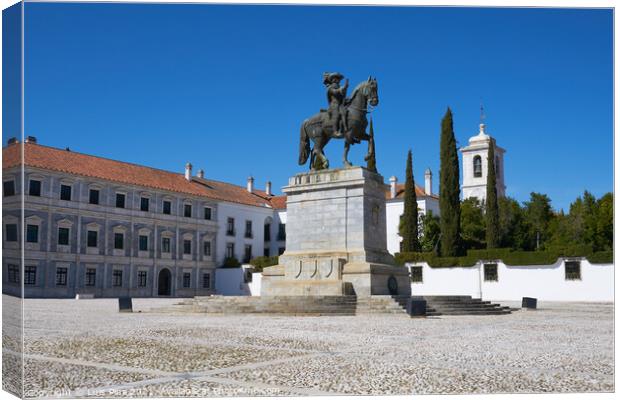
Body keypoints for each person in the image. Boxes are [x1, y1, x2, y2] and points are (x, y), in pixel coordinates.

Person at [322, 72, 349, 138]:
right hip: (334, 105)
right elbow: (335, 92)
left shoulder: (339, 87)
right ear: (333, 79)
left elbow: (343, 97)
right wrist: (343, 88)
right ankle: (335, 131)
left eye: (339, 79)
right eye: (337, 78)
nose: (338, 80)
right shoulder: (330, 88)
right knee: (336, 115)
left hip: (341, 104)